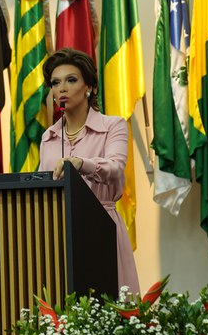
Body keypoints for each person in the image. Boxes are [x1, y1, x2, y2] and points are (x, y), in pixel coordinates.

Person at [38, 48, 140, 296]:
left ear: (90, 88)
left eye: (71, 80)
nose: (62, 88)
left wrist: (81, 164)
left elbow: (115, 168)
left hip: (100, 226)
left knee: (108, 306)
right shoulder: (49, 136)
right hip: (60, 233)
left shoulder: (113, 126)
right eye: (55, 83)